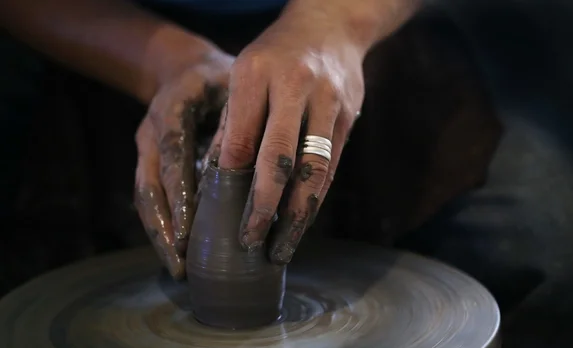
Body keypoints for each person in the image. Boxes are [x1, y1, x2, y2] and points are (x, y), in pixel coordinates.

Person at [0, 0, 422, 279]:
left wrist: (333, 28)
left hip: (353, 23)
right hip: (113, 26)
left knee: (485, 258)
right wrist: (168, 61)